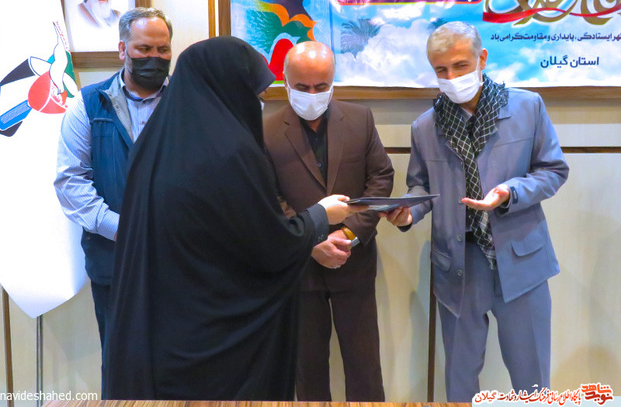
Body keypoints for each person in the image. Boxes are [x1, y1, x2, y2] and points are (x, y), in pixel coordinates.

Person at [102, 36, 364, 400]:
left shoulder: (154, 142)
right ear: (231, 89)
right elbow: (268, 245)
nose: (258, 101)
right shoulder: (230, 154)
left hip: (157, 327)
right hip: (213, 343)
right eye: (254, 92)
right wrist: (321, 215)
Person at [383, 21, 569, 401]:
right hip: (459, 264)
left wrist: (510, 192)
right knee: (460, 379)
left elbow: (553, 170)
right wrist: (409, 213)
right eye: (441, 70)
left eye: (461, 66)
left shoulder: (527, 107)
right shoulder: (425, 127)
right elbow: (421, 188)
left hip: (520, 257)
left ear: (482, 58)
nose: (451, 78)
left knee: (532, 378)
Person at [263, 41, 393, 401]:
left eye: (321, 86)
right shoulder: (266, 132)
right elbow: (268, 197)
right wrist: (311, 241)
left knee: (365, 370)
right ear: (285, 80)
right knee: (307, 372)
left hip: (355, 262)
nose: (311, 95)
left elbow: (381, 179)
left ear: (333, 80)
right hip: (299, 269)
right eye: (302, 87)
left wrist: (349, 235)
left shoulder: (360, 119)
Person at [54, 7, 173, 350]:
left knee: (178, 367)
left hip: (177, 262)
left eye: (163, 49)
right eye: (144, 49)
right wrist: (122, 228)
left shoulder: (188, 103)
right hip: (114, 262)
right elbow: (71, 182)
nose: (154, 58)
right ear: (123, 50)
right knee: (121, 363)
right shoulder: (89, 104)